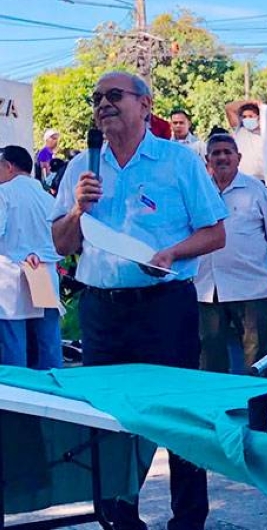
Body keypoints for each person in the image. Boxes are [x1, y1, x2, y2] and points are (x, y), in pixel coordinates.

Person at [51, 71, 227, 530]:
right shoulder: (81, 167)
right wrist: (76, 209)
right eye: (97, 98)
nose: (103, 104)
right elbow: (60, 244)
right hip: (102, 310)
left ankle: (188, 519)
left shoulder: (178, 162)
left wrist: (172, 253)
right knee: (107, 418)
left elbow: (215, 232)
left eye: (114, 95)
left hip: (164, 307)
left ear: (145, 105)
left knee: (180, 415)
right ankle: (119, 517)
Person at [195, 134, 267, 374]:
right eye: (216, 153)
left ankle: (258, 407)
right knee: (210, 355)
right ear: (208, 160)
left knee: (257, 357)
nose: (222, 157)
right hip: (208, 288)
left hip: (252, 286)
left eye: (228, 152)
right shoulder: (198, 192)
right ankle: (216, 406)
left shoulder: (256, 190)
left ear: (239, 157)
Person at [0, 145, 62, 370]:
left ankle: (17, 401)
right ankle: (56, 396)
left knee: (13, 347)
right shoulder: (48, 198)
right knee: (49, 345)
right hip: (44, 274)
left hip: (11, 277)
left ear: (8, 166)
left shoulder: (3, 193)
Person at [225, 100, 267, 181]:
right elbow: (229, 108)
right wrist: (251, 102)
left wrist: (260, 106)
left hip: (263, 179)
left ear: (258, 117)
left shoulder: (266, 132)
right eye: (244, 117)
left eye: (251, 116)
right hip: (242, 178)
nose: (247, 119)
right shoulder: (240, 131)